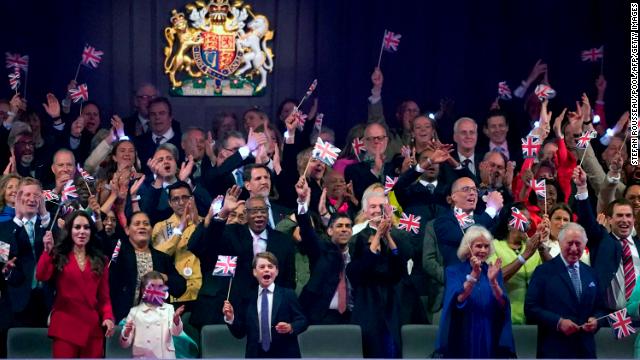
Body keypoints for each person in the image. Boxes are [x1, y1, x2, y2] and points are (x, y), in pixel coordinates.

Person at [36, 211, 115, 358]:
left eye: (86, 227)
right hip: (65, 327)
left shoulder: (101, 260)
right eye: (77, 227)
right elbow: (41, 275)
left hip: (92, 330)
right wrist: (47, 252)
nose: (82, 232)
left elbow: (104, 298)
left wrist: (108, 317)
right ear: (69, 230)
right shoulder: (58, 255)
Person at [525, 222, 605, 358]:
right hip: (554, 349)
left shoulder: (591, 273)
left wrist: (596, 320)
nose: (574, 248)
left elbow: (601, 308)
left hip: (585, 350)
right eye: (570, 243)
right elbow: (530, 308)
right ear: (561, 243)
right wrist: (558, 322)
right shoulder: (543, 271)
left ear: (585, 244)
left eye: (578, 244)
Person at [434, 225, 515, 358]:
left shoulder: (493, 271)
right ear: (468, 248)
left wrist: (493, 282)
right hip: (464, 330)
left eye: (486, 246)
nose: (483, 250)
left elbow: (502, 304)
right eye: (478, 246)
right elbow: (458, 299)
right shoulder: (453, 271)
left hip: (489, 329)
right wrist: (473, 275)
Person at [222, 252, 308, 358]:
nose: (266, 269)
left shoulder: (288, 294)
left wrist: (290, 327)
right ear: (254, 272)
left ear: (276, 271)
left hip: (285, 353)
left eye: (270, 266)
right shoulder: (247, 297)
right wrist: (231, 318)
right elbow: (240, 332)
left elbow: (303, 320)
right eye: (262, 267)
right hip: (256, 354)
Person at [294, 176, 354, 324]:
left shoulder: (357, 253)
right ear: (330, 231)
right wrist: (302, 203)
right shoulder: (321, 250)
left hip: (352, 316)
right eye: (339, 226)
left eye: (348, 226)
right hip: (321, 316)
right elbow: (307, 231)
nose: (344, 230)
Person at [108, 211, 186, 322]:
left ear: (151, 229)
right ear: (127, 230)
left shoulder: (161, 258)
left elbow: (180, 287)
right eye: (137, 224)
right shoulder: (118, 254)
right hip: (123, 320)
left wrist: (164, 277)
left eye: (146, 224)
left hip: (155, 323)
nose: (142, 227)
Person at [1, 177, 51, 327]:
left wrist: (45, 216)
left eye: (36, 195)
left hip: (48, 300)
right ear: (18, 198)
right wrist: (17, 219)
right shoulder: (4, 229)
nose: (32, 199)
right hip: (18, 301)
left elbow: (62, 246)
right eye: (27, 194)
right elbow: (2, 259)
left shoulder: (49, 224)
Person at [489, 204, 550, 324]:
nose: (527, 226)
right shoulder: (494, 246)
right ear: (509, 225)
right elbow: (495, 278)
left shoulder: (532, 247)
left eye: (528, 222)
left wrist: (541, 246)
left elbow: (554, 270)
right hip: (503, 317)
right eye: (522, 222)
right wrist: (524, 256)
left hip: (534, 318)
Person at [120, 271, 185, 358]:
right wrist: (126, 333)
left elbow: (176, 333)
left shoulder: (169, 309)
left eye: (160, 287)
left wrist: (176, 321)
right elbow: (124, 344)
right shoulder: (134, 312)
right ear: (144, 290)